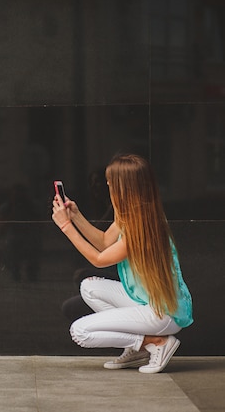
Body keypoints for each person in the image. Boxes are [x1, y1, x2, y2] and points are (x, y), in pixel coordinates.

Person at [51, 154, 193, 374]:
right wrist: (76, 217)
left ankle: (156, 342)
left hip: (162, 313)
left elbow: (98, 260)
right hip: (146, 301)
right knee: (89, 286)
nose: (106, 186)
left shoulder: (143, 226)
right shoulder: (133, 214)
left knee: (79, 332)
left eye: (110, 182)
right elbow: (105, 242)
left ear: (123, 187)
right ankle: (140, 348)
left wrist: (66, 227)